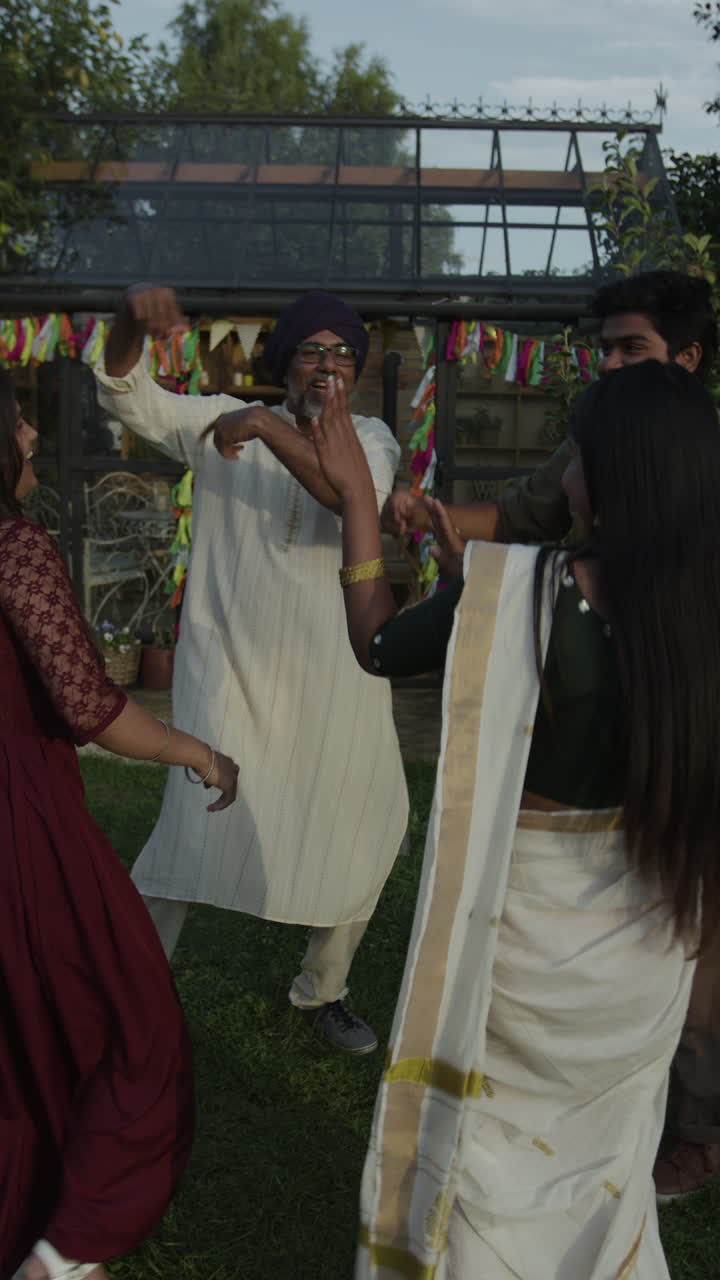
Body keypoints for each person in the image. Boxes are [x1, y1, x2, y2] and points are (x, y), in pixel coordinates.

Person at [310, 362, 720, 1278]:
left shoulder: (524, 588)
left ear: (614, 471)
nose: (564, 465)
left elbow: (378, 640)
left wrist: (355, 501)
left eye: (576, 448)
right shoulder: (700, 609)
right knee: (603, 1170)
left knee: (488, 1166)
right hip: (643, 958)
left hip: (517, 948)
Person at [382, 268, 720, 1200]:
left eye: (627, 350)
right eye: (603, 348)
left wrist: (465, 580)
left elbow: (384, 645)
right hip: (641, 902)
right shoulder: (556, 571)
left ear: (687, 361)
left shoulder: (550, 589)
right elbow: (527, 514)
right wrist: (464, 549)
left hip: (626, 866)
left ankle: (697, 1129)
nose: (604, 364)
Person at [93, 285, 408, 1056]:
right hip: (232, 675)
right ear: (286, 362)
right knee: (184, 840)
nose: (328, 363)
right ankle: (128, 992)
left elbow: (345, 496)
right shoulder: (218, 421)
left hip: (339, 684)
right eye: (312, 349)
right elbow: (133, 398)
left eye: (343, 352)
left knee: (366, 822)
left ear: (359, 372)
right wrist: (132, 323)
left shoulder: (371, 438)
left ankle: (321, 991)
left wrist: (265, 423)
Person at [0, 373, 239, 1280]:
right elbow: (90, 704)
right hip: (21, 820)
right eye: (15, 420)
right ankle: (67, 1250)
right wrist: (200, 754)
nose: (29, 434)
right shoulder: (14, 545)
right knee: (129, 1019)